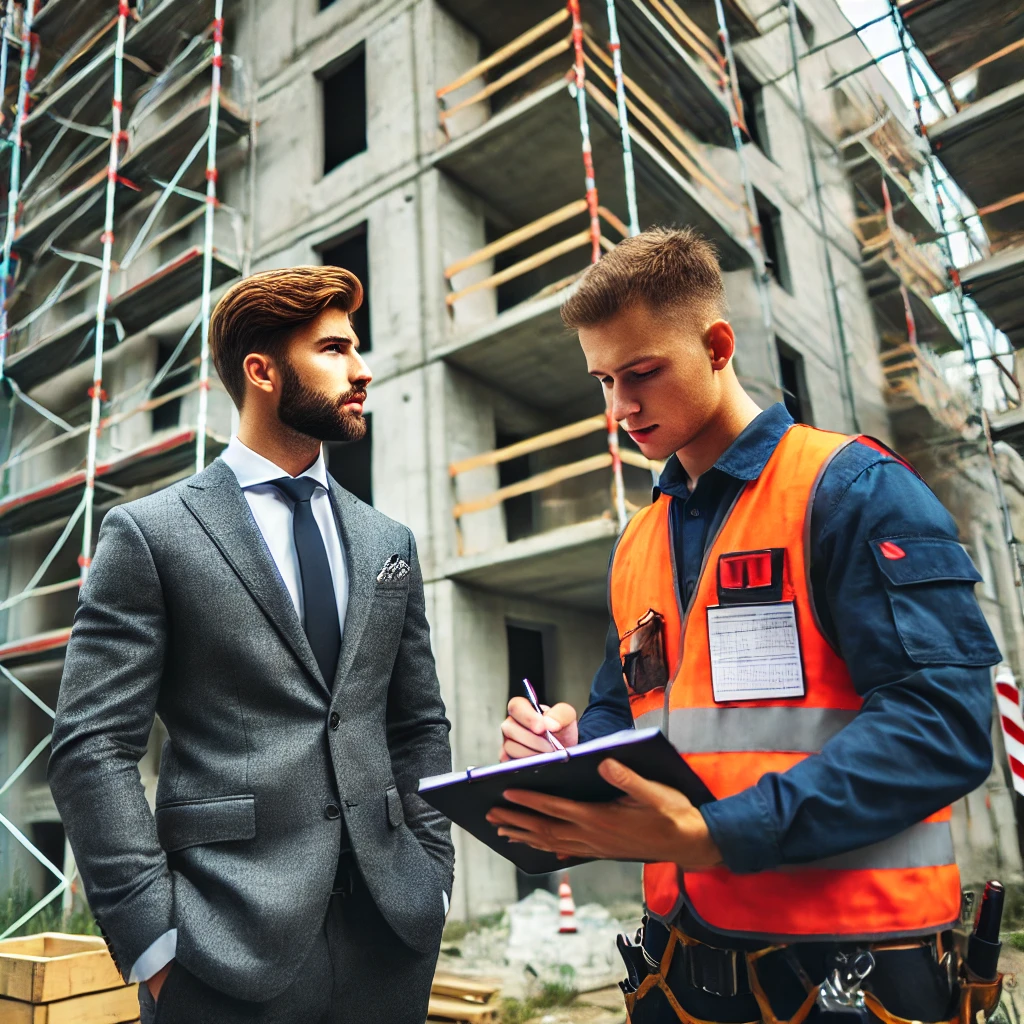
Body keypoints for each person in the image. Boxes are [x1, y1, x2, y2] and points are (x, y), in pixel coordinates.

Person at [491, 228, 1001, 1024]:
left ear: (718, 345)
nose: (619, 407)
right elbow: (625, 708)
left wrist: (718, 833)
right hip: (679, 972)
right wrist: (574, 753)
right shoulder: (639, 540)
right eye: (602, 381)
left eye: (642, 374)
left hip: (853, 978)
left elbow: (946, 726)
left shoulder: (856, 491)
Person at [48, 266, 454, 1024]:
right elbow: (91, 746)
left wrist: (431, 878)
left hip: (390, 941)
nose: (362, 370)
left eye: (355, 349)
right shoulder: (153, 534)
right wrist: (155, 943)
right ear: (261, 371)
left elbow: (417, 725)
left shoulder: (386, 540)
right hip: (219, 950)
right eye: (334, 350)